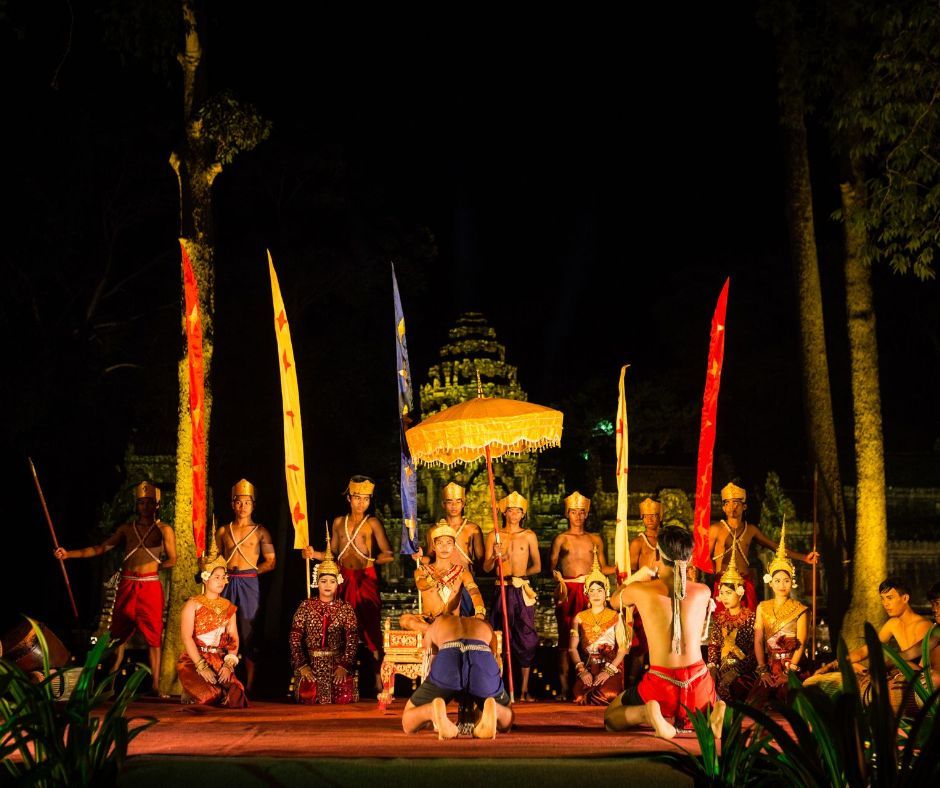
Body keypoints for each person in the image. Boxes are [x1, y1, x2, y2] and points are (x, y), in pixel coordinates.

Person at [604, 525, 724, 740]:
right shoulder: (703, 591)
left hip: (661, 683)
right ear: (689, 558)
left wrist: (638, 576)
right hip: (699, 680)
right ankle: (713, 713)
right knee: (705, 697)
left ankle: (647, 714)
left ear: (658, 555)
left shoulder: (640, 590)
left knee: (611, 717)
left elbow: (614, 601)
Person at [54, 481, 176, 689]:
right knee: (117, 637)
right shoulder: (126, 529)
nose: (145, 506)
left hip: (149, 586)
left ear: (157, 505)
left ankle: (156, 685)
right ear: (137, 505)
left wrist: (156, 567)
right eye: (141, 502)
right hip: (127, 584)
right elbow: (100, 548)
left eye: (149, 502)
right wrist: (68, 554)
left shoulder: (164, 530)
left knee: (154, 637)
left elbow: (173, 559)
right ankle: (109, 682)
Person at [304, 476, 393, 693]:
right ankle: (340, 679)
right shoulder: (338, 523)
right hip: (343, 578)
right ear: (349, 498)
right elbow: (333, 554)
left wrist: (374, 560)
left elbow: (388, 553)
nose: (361, 503)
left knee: (371, 629)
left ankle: (378, 679)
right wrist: (313, 554)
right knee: (340, 626)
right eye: (357, 498)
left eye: (366, 499)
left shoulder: (372, 523)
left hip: (366, 578)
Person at [806, 578, 936, 712]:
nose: (885, 604)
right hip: (896, 674)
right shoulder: (893, 624)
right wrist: (831, 665)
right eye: (882, 599)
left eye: (890, 598)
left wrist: (882, 670)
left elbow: (921, 667)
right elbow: (865, 651)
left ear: (905, 598)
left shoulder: (923, 625)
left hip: (917, 683)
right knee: (848, 668)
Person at [708, 482, 819, 610]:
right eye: (727, 503)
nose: (731, 507)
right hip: (723, 584)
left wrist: (804, 558)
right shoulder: (715, 529)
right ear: (723, 508)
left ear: (744, 506)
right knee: (722, 620)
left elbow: (776, 547)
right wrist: (717, 576)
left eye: (736, 503)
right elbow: (704, 558)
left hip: (745, 583)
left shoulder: (751, 530)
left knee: (749, 620)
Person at [402, 615, 514, 739]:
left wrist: (430, 693)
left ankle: (432, 711)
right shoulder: (484, 624)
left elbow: (428, 662)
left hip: (448, 655)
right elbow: (495, 659)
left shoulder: (438, 623)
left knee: (408, 719)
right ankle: (496, 710)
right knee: (507, 711)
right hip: (481, 653)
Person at [550, 491, 616, 699]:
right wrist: (557, 579)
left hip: (590, 591)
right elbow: (552, 567)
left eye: (581, 512)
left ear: (586, 514)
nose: (578, 516)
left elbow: (602, 568)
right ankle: (564, 688)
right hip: (569, 591)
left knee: (592, 637)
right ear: (567, 514)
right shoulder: (561, 539)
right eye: (573, 512)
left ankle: (594, 686)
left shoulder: (595, 539)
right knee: (566, 638)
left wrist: (620, 568)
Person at [215, 479, 276, 694]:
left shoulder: (261, 532)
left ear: (253, 505)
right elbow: (216, 559)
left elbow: (271, 561)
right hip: (227, 581)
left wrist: (251, 572)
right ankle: (223, 680)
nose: (243, 506)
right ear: (232, 504)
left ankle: (249, 685)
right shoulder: (223, 530)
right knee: (222, 628)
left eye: (247, 502)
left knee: (248, 629)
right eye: (239, 502)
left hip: (249, 582)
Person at [177, 533, 247, 708]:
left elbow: (233, 639)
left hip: (219, 659)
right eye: (216, 577)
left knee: (236, 696)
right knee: (210, 696)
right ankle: (190, 689)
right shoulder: (193, 604)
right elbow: (186, 637)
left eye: (223, 577)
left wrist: (228, 664)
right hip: (194, 659)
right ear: (205, 578)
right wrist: (201, 666)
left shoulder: (229, 607)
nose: (221, 581)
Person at [484, 491, 541, 701]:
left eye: (518, 511)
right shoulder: (494, 536)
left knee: (526, 638)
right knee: (499, 636)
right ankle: (497, 688)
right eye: (510, 510)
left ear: (523, 513)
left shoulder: (529, 535)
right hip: (501, 588)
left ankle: (524, 690)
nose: (514, 514)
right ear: (504, 512)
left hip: (521, 589)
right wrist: (494, 556)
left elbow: (537, 566)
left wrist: (521, 576)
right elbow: (486, 567)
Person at [289, 535, 358, 705]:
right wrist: (302, 666)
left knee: (343, 697)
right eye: (323, 581)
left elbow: (352, 640)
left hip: (337, 664)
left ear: (338, 583)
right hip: (311, 665)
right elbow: (295, 639)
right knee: (308, 695)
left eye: (332, 581)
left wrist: (344, 666)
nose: (327, 585)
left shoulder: (345, 608)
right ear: (316, 582)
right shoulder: (306, 606)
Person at [753, 522, 808, 699]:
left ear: (792, 582)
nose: (782, 585)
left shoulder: (800, 609)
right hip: (769, 667)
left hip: (793, 666)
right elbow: (758, 641)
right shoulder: (762, 607)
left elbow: (801, 643)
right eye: (777, 581)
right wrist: (763, 670)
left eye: (786, 580)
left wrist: (788, 673)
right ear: (770, 583)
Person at [401, 522, 486, 633]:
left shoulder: (462, 572)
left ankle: (436, 632)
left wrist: (479, 613)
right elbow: (421, 585)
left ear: (454, 546)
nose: (444, 547)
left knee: (477, 624)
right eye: (440, 543)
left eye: (449, 543)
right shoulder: (422, 570)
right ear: (434, 547)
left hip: (452, 621)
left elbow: (475, 593)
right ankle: (439, 632)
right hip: (429, 621)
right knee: (405, 620)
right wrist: (433, 578)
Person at [569, 548, 628, 706]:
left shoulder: (616, 616)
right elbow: (572, 648)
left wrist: (608, 672)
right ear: (586, 593)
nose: (596, 594)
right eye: (592, 591)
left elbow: (623, 649)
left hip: (610, 667)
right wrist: (582, 672)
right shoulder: (579, 617)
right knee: (580, 696)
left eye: (599, 590)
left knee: (607, 694)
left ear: (606, 592)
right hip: (589, 667)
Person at [423, 482, 485, 616]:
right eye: (449, 502)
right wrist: (420, 557)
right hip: (441, 582)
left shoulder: (472, 529)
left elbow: (481, 561)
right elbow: (429, 557)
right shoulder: (434, 530)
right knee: (443, 621)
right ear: (443, 504)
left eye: (458, 502)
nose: (454, 506)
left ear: (463, 504)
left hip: (464, 582)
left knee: (465, 622)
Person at [707, 550, 756, 702]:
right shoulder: (719, 619)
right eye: (722, 593)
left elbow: (755, 652)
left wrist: (736, 671)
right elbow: (714, 646)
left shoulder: (751, 618)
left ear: (740, 593)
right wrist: (712, 667)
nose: (724, 597)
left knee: (736, 686)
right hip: (720, 669)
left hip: (744, 672)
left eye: (728, 593)